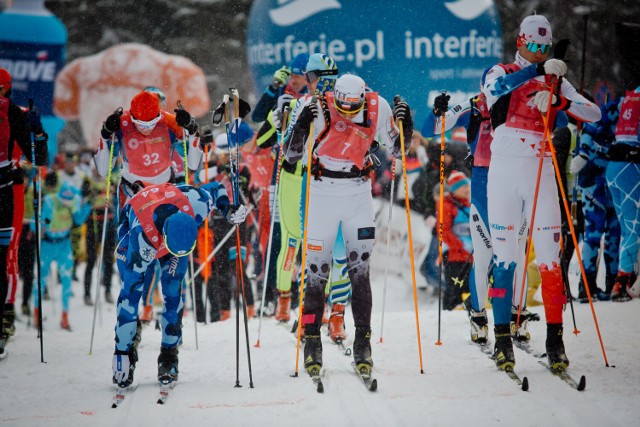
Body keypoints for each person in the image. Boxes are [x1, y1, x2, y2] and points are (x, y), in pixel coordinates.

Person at [481, 14, 601, 371]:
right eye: (532, 46)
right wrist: (536, 75)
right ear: (520, 41)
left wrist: (560, 102)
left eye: (543, 48)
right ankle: (502, 338)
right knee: (504, 259)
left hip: (540, 165)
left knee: (549, 258)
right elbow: (494, 93)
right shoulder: (499, 71)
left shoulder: (555, 80)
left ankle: (555, 339)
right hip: (503, 168)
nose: (537, 53)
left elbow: (592, 113)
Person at [284, 73, 412, 376]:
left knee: (360, 272)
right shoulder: (315, 106)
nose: (348, 113)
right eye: (343, 107)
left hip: (357, 192)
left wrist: (407, 123)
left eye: (354, 108)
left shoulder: (378, 106)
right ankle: (312, 341)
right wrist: (302, 125)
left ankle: (363, 342)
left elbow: (398, 151)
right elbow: (289, 158)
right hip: (321, 191)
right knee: (316, 273)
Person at [111, 181, 247, 388]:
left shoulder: (197, 204)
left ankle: (169, 355)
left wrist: (227, 208)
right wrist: (120, 353)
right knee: (132, 291)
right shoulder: (141, 237)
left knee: (173, 291)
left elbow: (216, 187)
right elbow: (128, 297)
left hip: (172, 218)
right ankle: (125, 349)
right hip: (138, 224)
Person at [0, 68, 48, 356]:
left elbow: (39, 157)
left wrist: (37, 131)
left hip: (10, 186)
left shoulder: (15, 113)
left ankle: (6, 315)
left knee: (8, 252)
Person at [570, 101, 621, 301]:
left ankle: (613, 283)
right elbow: (591, 126)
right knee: (594, 230)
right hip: (592, 176)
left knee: (614, 230)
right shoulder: (617, 106)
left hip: (612, 176)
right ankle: (587, 286)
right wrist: (583, 153)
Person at [32, 176, 91, 330]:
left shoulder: (73, 201)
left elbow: (78, 219)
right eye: (65, 201)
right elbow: (35, 224)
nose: (67, 204)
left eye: (69, 202)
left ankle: (65, 315)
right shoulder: (50, 201)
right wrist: (40, 225)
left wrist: (86, 202)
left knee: (66, 281)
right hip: (47, 244)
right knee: (41, 279)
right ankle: (36, 313)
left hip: (64, 245)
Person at [83, 164, 117, 305]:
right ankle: (87, 293)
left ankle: (108, 290)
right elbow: (83, 197)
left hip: (107, 222)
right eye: (95, 168)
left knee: (108, 258)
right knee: (91, 260)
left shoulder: (110, 180)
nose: (97, 170)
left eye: (99, 167)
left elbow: (114, 194)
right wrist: (90, 195)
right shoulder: (88, 181)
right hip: (93, 222)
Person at [439, 171, 473, 310]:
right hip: (455, 256)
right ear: (455, 189)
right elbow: (443, 232)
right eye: (463, 187)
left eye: (467, 186)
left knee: (470, 286)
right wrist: (460, 246)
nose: (467, 189)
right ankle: (450, 311)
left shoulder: (470, 204)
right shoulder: (448, 205)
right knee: (454, 288)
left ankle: (468, 310)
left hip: (471, 255)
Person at [252, 53, 309, 123]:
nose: (293, 81)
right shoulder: (281, 91)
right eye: (291, 76)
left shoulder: (313, 93)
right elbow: (257, 117)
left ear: (306, 77)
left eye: (297, 76)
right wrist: (273, 89)